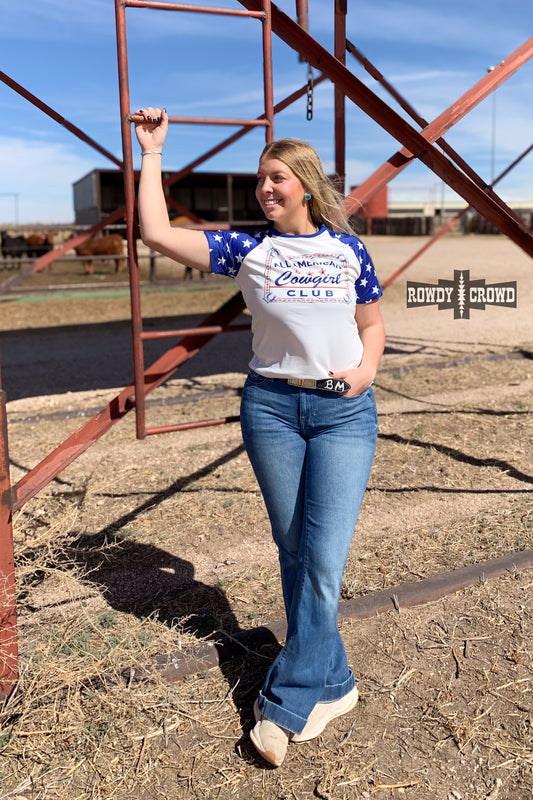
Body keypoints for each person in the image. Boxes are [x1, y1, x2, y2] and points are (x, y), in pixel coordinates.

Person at [133, 108, 386, 767]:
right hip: (271, 409)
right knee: (294, 550)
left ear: (304, 184)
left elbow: (372, 324)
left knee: (322, 557)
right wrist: (151, 152)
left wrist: (365, 372)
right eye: (259, 181)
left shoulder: (345, 249)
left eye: (276, 178)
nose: (265, 190)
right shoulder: (251, 252)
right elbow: (154, 232)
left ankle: (286, 705)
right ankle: (334, 683)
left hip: (341, 415)